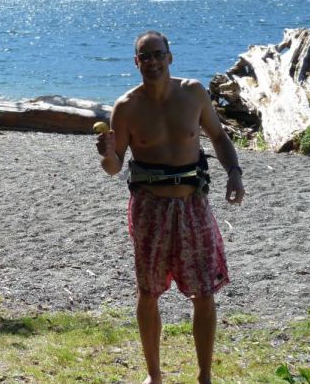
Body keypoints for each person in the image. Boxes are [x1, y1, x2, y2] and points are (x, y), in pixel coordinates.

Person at [96, 31, 244, 384]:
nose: (152, 62)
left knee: (203, 292)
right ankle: (154, 375)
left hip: (193, 203)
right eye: (145, 57)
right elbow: (115, 167)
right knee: (148, 292)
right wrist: (107, 153)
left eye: (158, 54)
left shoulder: (193, 93)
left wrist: (234, 173)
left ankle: (204, 376)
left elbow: (219, 137)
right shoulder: (127, 107)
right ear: (136, 62)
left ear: (170, 57)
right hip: (150, 208)